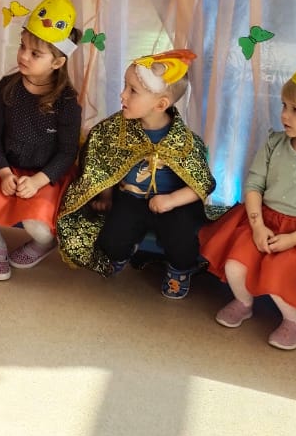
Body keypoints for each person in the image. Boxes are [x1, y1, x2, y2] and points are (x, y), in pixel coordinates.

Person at [199, 41, 296, 350]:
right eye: (284, 105)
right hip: (261, 219)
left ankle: (295, 323)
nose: (284, 114)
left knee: (281, 279)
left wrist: (293, 239)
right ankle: (243, 303)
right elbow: (254, 185)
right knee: (235, 265)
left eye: (295, 110)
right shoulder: (274, 143)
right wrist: (258, 226)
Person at [54, 50, 217, 299]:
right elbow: (102, 164)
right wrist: (106, 195)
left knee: (181, 239)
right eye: (125, 87)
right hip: (131, 199)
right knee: (111, 241)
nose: (122, 95)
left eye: (132, 91)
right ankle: (126, 250)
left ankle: (180, 269)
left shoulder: (184, 142)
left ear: (160, 104)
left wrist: (171, 200)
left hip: (174, 204)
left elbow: (202, 184)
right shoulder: (114, 130)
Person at [0, 0, 82, 281]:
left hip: (45, 174)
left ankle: (44, 245)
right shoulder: (7, 88)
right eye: (22, 46)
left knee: (38, 226)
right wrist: (4, 172)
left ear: (57, 62)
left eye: (35, 53)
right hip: (4, 165)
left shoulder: (67, 102)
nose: (23, 56)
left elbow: (67, 152)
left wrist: (39, 181)